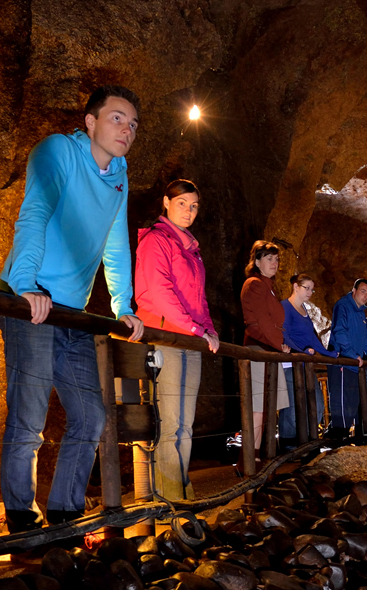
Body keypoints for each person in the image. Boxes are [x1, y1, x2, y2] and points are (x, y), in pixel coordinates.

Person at [0, 86, 147, 533]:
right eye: (118, 118)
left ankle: (64, 510)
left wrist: (124, 305)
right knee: (29, 413)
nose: (127, 130)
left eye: (134, 124)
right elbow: (35, 213)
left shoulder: (119, 172)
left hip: (71, 312)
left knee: (91, 415)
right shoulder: (57, 151)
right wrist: (25, 285)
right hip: (31, 299)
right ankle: (21, 517)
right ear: (90, 122)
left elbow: (115, 245)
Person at [134, 179, 218, 499]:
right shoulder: (157, 240)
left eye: (194, 205)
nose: (188, 210)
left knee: (186, 421)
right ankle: (170, 494)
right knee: (171, 421)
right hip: (168, 336)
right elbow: (159, 291)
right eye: (182, 203)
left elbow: (199, 299)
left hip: (190, 340)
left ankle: (181, 487)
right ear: (166, 203)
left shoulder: (191, 248)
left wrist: (208, 328)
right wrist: (195, 329)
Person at [239, 241, 294, 447]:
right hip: (259, 349)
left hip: (268, 349)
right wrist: (279, 345)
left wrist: (279, 345)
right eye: (269, 258)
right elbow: (262, 321)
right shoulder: (255, 284)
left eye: (276, 259)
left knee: (267, 407)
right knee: (258, 408)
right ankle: (249, 459)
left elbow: (272, 323)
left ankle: (260, 454)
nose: (274, 263)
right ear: (257, 261)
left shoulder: (267, 287)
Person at [282, 274, 349, 431]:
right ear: (295, 287)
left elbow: (311, 337)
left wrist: (328, 353)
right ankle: (289, 443)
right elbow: (284, 334)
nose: (310, 292)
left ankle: (308, 440)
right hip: (291, 364)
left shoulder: (304, 309)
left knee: (316, 405)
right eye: (307, 288)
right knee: (292, 409)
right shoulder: (285, 306)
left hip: (306, 363)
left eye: (312, 290)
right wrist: (300, 350)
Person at [328, 279, 367, 435]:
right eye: (363, 291)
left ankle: (343, 436)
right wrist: (351, 354)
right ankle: (339, 436)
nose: (366, 295)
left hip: (353, 363)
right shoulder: (343, 306)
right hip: (342, 362)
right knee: (342, 401)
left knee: (352, 401)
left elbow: (366, 337)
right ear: (354, 290)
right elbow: (340, 331)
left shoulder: (360, 312)